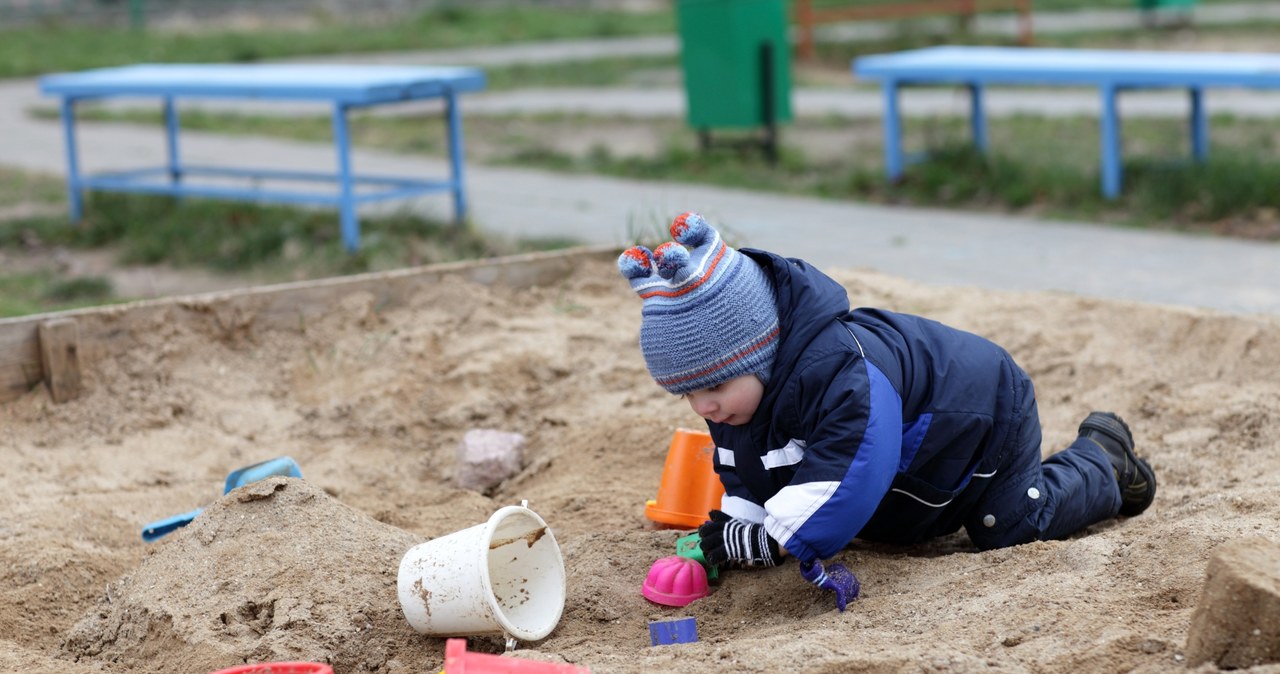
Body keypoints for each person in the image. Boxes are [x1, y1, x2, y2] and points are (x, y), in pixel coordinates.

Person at [617, 212, 1157, 611]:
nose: (704, 406)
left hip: (985, 419)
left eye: (714, 386)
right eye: (688, 393)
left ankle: (1103, 459)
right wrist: (742, 524)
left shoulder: (840, 376)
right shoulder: (741, 397)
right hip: (921, 467)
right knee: (884, 524)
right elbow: (750, 468)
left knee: (1008, 526)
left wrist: (774, 537)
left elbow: (852, 467)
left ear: (760, 350)